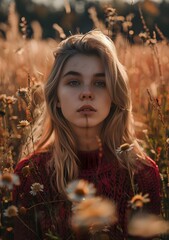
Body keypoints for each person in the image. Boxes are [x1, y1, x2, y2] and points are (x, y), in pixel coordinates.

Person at [13, 30, 161, 240]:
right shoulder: (30, 175)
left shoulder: (141, 174)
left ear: (114, 96)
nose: (87, 93)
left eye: (100, 83)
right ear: (55, 97)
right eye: (73, 82)